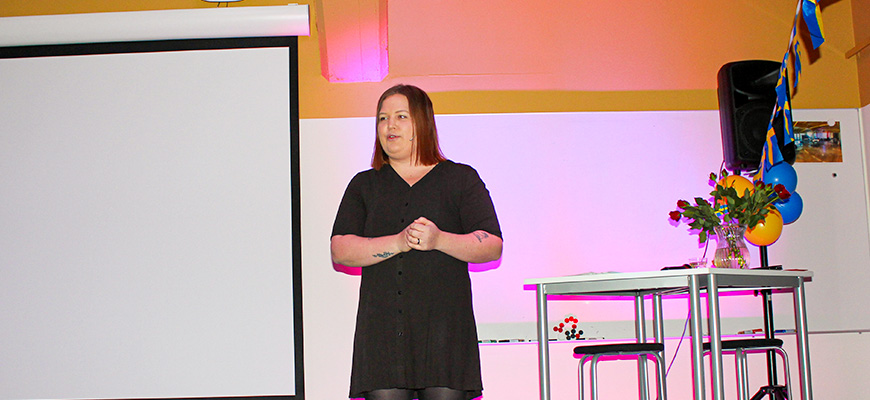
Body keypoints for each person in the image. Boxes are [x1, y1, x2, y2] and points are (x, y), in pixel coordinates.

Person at [331, 84, 503, 400]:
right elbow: (341, 249)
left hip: (445, 333)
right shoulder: (364, 185)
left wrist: (439, 239)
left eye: (401, 116)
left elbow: (492, 245)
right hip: (383, 333)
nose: (390, 125)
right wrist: (398, 242)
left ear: (422, 123)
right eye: (382, 118)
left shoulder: (460, 178)